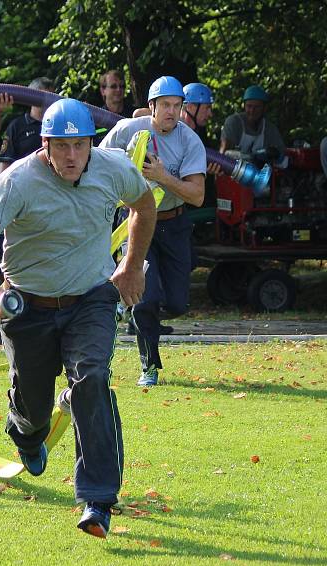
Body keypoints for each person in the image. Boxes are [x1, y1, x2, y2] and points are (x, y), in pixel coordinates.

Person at [0, 98, 156, 538]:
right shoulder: (19, 180)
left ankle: (97, 500)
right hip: (28, 306)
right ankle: (26, 431)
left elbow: (145, 205)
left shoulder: (112, 167)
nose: (71, 156)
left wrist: (131, 264)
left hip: (91, 299)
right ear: (44, 144)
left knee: (91, 380)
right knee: (34, 405)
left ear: (90, 143)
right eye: (61, 146)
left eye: (79, 145)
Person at [100, 75, 206, 387]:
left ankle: (127, 308)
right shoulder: (128, 130)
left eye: (177, 106)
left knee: (176, 304)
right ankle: (149, 366)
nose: (172, 112)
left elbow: (197, 195)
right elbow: (96, 163)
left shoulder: (190, 141)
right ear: (152, 107)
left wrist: (162, 176)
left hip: (173, 223)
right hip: (135, 221)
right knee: (145, 299)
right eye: (165, 105)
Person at [0, 77, 55, 174]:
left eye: (52, 96)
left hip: (54, 185)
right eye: (44, 96)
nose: (48, 101)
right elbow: (5, 165)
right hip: (24, 185)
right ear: (31, 97)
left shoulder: (59, 125)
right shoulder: (16, 126)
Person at [220, 85, 286, 164]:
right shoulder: (234, 122)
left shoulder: (269, 129)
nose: (252, 110)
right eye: (249, 106)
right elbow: (224, 153)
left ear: (264, 108)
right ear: (244, 106)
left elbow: (282, 154)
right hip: (231, 172)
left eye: (257, 107)